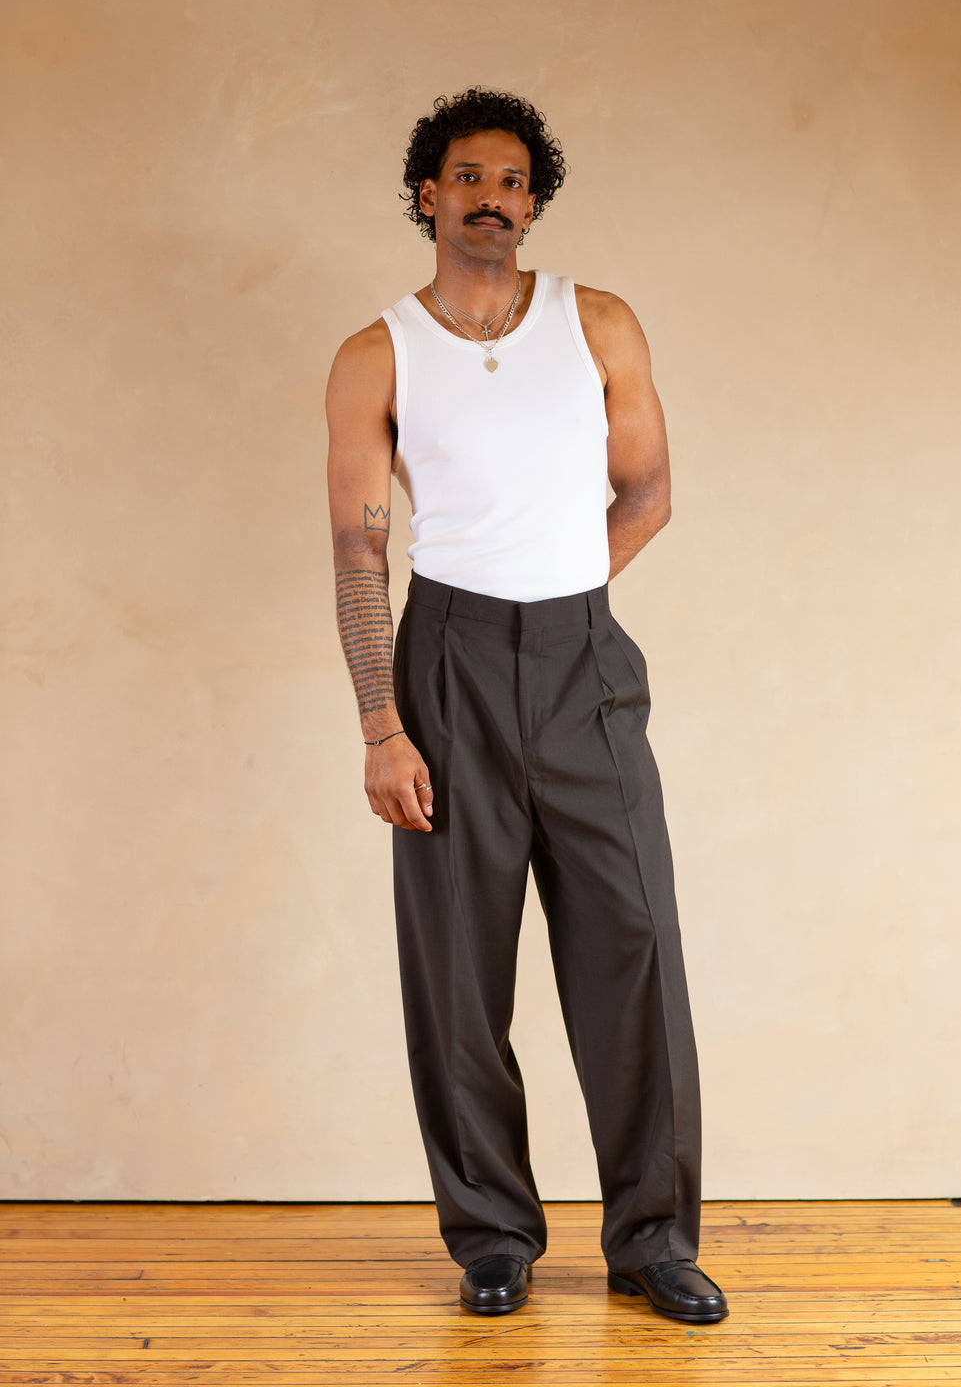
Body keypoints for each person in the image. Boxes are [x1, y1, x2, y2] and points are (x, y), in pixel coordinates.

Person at [325, 87, 727, 1325]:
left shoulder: (595, 323)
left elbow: (647, 494)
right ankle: (491, 1233)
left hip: (582, 664)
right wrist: (382, 727)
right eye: (465, 176)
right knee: (456, 966)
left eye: (511, 179)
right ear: (428, 195)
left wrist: (553, 596)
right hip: (441, 666)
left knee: (634, 946)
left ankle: (652, 1239)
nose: (489, 195)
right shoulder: (376, 353)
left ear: (532, 199)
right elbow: (356, 552)